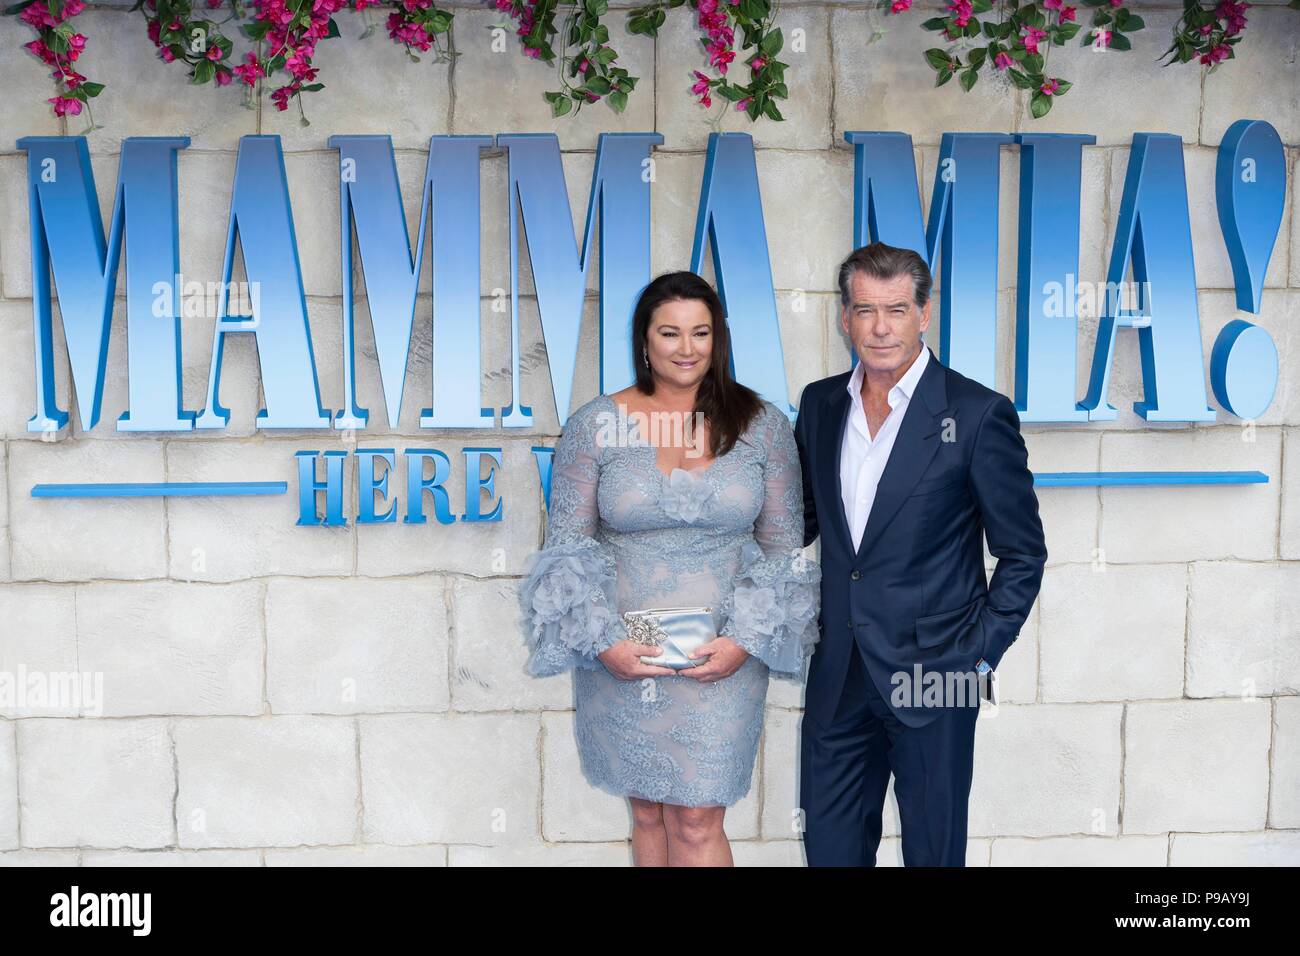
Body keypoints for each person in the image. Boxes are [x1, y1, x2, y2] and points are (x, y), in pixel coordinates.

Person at [517, 270, 821, 867]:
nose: (687, 349)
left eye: (701, 332)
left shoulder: (762, 426)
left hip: (724, 650)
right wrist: (604, 643)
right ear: (645, 341)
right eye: (670, 333)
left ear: (718, 339)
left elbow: (785, 554)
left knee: (695, 815)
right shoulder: (595, 425)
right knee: (649, 810)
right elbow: (565, 552)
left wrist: (746, 640)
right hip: (627, 652)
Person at [795, 242, 1047, 866]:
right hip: (839, 676)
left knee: (934, 854)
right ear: (844, 317)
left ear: (925, 313)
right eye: (865, 310)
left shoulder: (977, 413)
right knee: (830, 852)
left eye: (897, 309)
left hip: (936, 676)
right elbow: (798, 522)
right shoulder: (821, 405)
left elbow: (1022, 554)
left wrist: (977, 658)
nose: (880, 327)